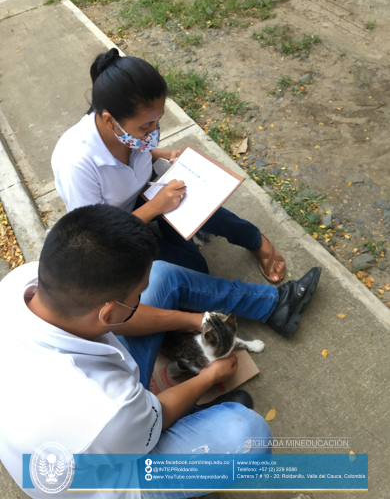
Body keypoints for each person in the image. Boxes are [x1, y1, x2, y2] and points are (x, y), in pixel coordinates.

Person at [0, 205, 321, 499]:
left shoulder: (21, 284)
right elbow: (157, 413)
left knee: (165, 278)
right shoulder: (106, 406)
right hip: (109, 478)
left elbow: (121, 317)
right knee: (248, 433)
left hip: (76, 428)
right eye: (138, 295)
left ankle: (273, 305)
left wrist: (194, 319)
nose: (143, 297)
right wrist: (209, 376)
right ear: (107, 314)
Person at [52, 48, 286, 282]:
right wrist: (155, 207)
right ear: (110, 121)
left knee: (198, 197)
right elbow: (94, 237)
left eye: (158, 120)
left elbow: (137, 150)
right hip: (114, 227)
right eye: (146, 126)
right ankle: (168, 228)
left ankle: (254, 239)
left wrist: (162, 154)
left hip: (146, 193)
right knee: (196, 270)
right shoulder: (76, 162)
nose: (153, 131)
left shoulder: (129, 132)